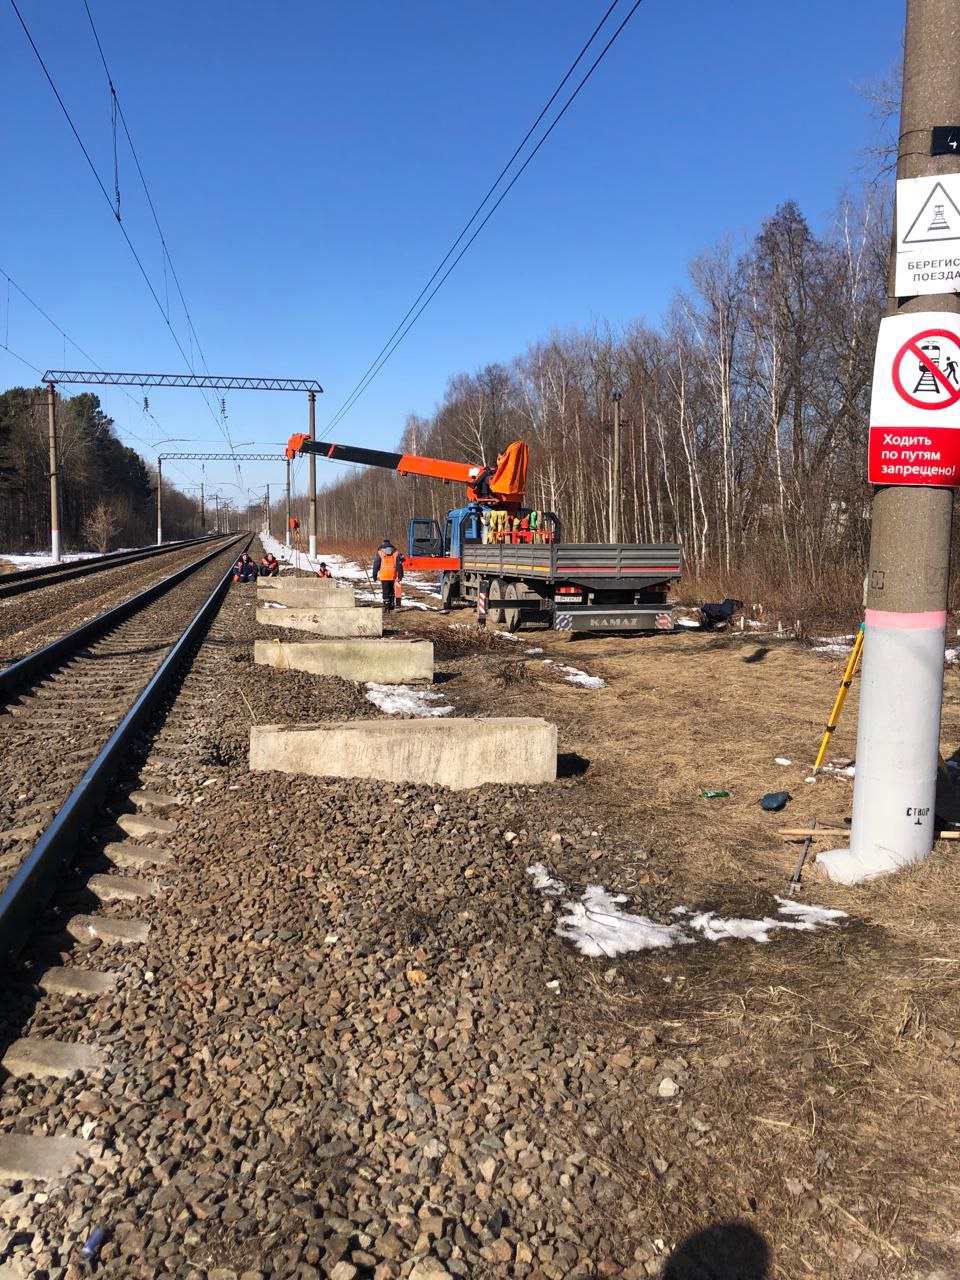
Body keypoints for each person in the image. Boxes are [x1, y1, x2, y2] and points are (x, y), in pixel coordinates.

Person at [371, 538, 404, 612]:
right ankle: (391, 605)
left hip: (384, 575)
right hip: (392, 575)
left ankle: (386, 607)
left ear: (383, 544)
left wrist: (374, 575)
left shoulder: (380, 553)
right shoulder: (395, 553)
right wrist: (400, 575)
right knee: (391, 589)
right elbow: (399, 565)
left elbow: (376, 565)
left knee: (385, 590)